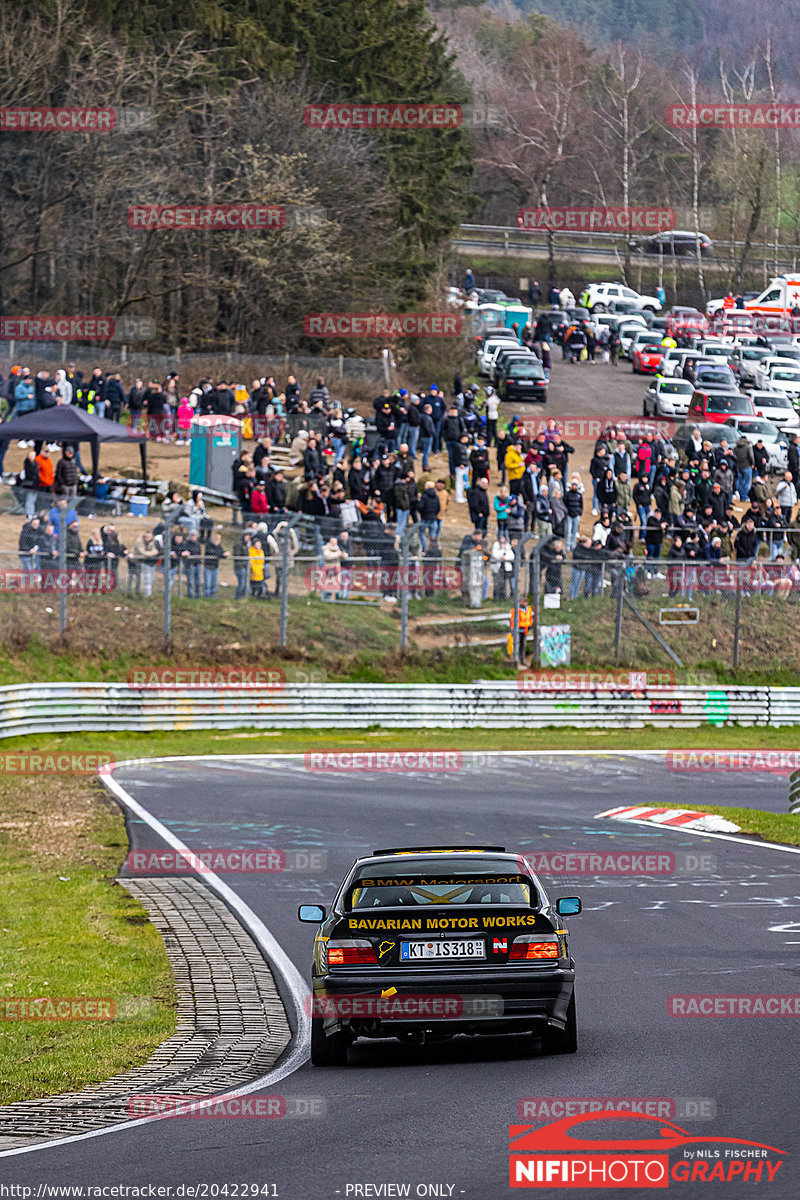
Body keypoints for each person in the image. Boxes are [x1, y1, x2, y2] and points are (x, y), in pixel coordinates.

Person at [132, 530, 159, 596]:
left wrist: (153, 553)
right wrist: (152, 553)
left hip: (151, 563)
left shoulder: (154, 542)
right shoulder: (140, 542)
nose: (147, 538)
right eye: (146, 537)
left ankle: (147, 593)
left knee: (151, 578)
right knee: (144, 578)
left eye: (149, 537)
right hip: (139, 561)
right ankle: (145, 594)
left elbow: (159, 550)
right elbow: (143, 552)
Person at [203, 532, 228, 597]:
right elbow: (212, 552)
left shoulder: (219, 546)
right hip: (208, 567)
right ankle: (207, 596)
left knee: (214, 583)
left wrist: (225, 553)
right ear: (213, 540)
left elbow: (222, 552)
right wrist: (220, 554)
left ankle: (213, 596)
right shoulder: (208, 545)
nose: (217, 542)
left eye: (218, 540)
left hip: (215, 567)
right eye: (216, 540)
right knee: (208, 583)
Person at [490, 534, 515, 599]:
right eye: (501, 542)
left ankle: (503, 598)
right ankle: (496, 598)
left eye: (504, 542)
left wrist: (504, 557)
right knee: (498, 584)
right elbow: (496, 555)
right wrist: (502, 554)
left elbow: (511, 556)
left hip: (506, 569)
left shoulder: (508, 547)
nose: (502, 544)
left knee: (504, 584)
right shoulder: (495, 547)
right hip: (497, 569)